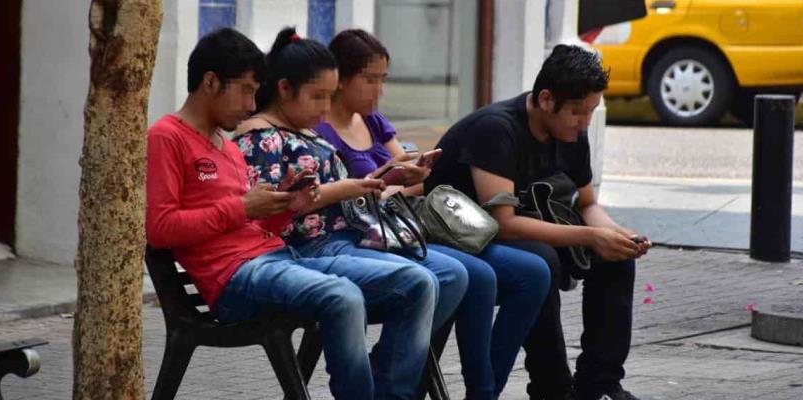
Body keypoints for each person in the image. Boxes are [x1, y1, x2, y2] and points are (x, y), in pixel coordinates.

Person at [145, 28, 436, 400]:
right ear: (211, 82)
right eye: (246, 90)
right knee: (343, 296)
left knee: (418, 283)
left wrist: (287, 206)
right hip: (232, 279)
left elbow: (252, 224)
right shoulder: (167, 136)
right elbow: (160, 228)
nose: (252, 104)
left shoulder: (225, 146)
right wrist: (242, 207)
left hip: (277, 258)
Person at [314, 28, 550, 400]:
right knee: (476, 276)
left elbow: (412, 181)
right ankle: (421, 377)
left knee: (533, 271)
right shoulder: (322, 131)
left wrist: (412, 175)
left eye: (383, 79)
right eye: (370, 79)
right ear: (340, 79)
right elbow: (335, 202)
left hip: (406, 225)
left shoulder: (372, 121)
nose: (379, 90)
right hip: (367, 237)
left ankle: (482, 390)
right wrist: (389, 182)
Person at [233, 27, 467, 399]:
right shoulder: (261, 138)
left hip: (350, 237)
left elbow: (340, 188)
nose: (326, 108)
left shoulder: (305, 130)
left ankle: (385, 374)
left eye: (329, 96)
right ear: (284, 89)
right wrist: (346, 189)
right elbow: (271, 208)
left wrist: (386, 177)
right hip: (310, 247)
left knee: (452, 275)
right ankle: (389, 389)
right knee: (420, 283)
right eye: (318, 96)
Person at [425, 44, 652, 400]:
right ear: (546, 99)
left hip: (524, 229)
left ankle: (599, 384)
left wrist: (619, 235)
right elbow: (504, 223)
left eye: (592, 112)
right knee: (541, 260)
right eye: (578, 112)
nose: (585, 123)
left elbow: (587, 204)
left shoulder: (572, 133)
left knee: (616, 258)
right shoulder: (496, 129)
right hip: (462, 237)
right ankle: (552, 388)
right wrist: (591, 235)